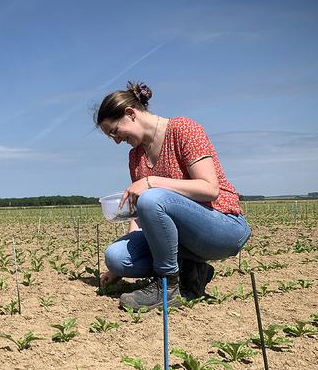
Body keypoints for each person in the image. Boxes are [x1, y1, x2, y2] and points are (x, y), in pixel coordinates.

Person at [95, 82, 251, 310]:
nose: (116, 140)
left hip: (222, 226)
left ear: (130, 114)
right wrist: (117, 271)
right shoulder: (135, 156)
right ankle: (191, 270)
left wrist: (151, 182)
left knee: (152, 197)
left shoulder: (183, 129)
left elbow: (210, 189)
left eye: (115, 131)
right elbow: (141, 214)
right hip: (182, 239)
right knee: (117, 257)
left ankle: (167, 285)